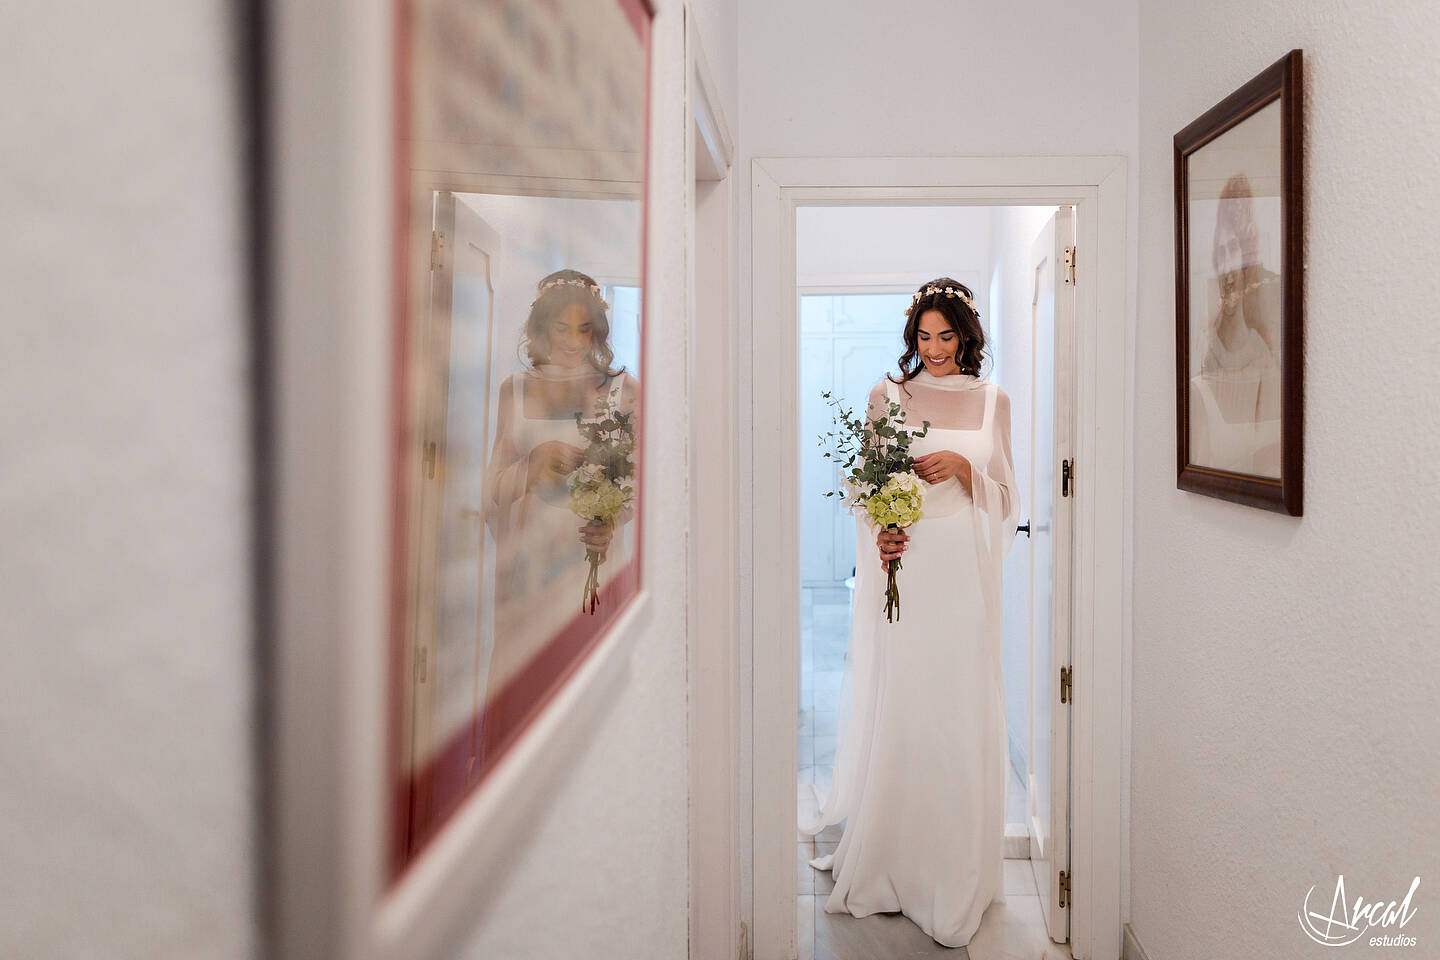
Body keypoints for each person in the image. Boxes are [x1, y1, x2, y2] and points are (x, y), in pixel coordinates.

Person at [800, 277, 1020, 947]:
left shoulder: (992, 402)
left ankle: (954, 875)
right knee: (908, 705)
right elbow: (864, 483)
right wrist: (882, 531)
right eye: (923, 337)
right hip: (908, 563)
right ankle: (893, 862)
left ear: (966, 337)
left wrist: (965, 469)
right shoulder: (886, 396)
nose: (934, 349)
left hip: (963, 578)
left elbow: (1008, 500)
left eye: (945, 337)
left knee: (958, 710)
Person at [480, 269, 639, 704]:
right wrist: (531, 464)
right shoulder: (513, 391)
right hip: (527, 570)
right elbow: (492, 491)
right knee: (529, 688)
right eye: (562, 328)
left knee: (587, 686)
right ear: (541, 329)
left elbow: (644, 485)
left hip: (592, 564)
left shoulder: (623, 392)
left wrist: (611, 520)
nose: (573, 341)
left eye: (584, 329)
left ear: (599, 332)